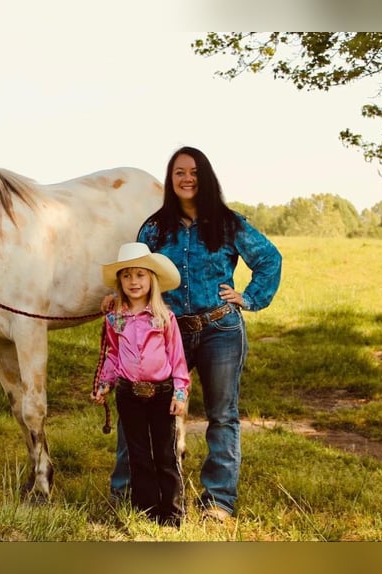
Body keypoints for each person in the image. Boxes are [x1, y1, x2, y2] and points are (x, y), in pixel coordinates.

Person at [105, 146, 282, 522]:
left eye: (194, 172)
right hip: (167, 331)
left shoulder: (228, 222)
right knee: (141, 407)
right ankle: (129, 490)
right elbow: (136, 274)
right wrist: (118, 298)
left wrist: (249, 297)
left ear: (206, 178)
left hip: (220, 329)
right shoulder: (154, 228)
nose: (187, 179)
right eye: (179, 173)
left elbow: (269, 258)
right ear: (171, 180)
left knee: (222, 414)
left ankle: (218, 500)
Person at [92, 242, 191, 527]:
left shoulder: (164, 318)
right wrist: (104, 383)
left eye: (140, 275)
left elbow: (177, 359)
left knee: (165, 453)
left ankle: (171, 514)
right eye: (127, 276)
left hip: (162, 394)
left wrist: (180, 392)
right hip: (128, 394)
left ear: (152, 280)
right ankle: (146, 510)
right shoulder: (115, 319)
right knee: (137, 453)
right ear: (120, 282)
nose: (133, 282)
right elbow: (112, 355)